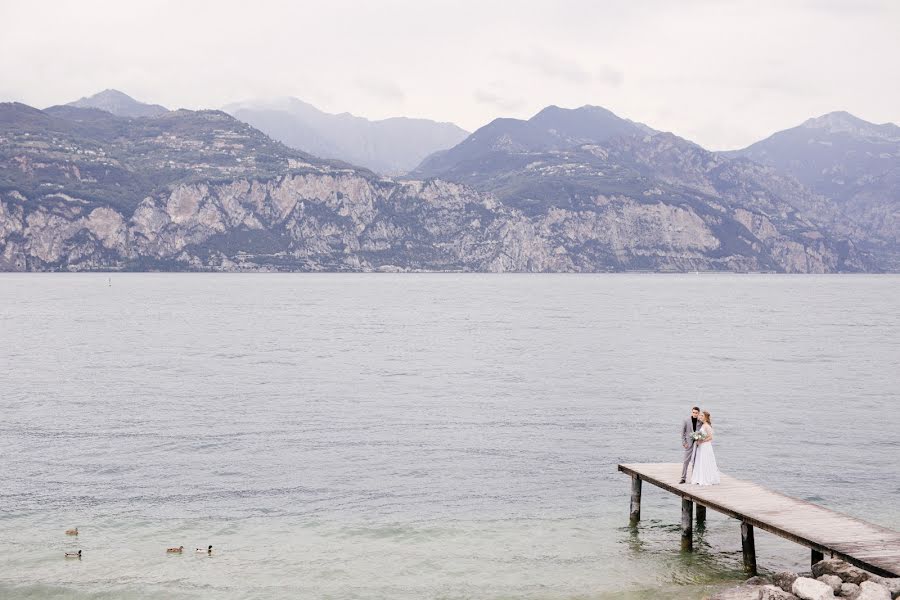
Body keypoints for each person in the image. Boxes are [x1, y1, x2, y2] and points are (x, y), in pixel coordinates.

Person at [690, 411, 720, 486]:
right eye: (700, 416)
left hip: (705, 446)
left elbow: (710, 437)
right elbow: (703, 435)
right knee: (700, 461)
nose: (700, 417)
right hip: (701, 446)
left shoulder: (707, 426)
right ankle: (699, 478)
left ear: (706, 417)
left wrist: (702, 441)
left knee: (705, 460)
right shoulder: (703, 425)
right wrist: (697, 439)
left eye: (702, 416)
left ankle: (706, 478)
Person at [680, 406, 701, 484]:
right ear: (691, 412)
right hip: (688, 445)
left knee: (695, 462)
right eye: (693, 412)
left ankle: (694, 478)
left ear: (698, 413)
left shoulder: (700, 421)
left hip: (697, 445)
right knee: (686, 461)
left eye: (696, 413)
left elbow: (703, 432)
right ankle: (683, 478)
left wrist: (700, 440)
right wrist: (684, 443)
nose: (695, 414)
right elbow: (682, 433)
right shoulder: (686, 420)